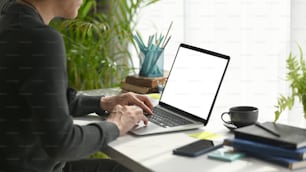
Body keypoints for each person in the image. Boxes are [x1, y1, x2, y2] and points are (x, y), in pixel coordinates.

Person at [0, 0, 154, 171]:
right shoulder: (40, 38)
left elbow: (40, 98)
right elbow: (62, 143)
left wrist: (103, 102)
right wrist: (116, 125)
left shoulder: (9, 20)